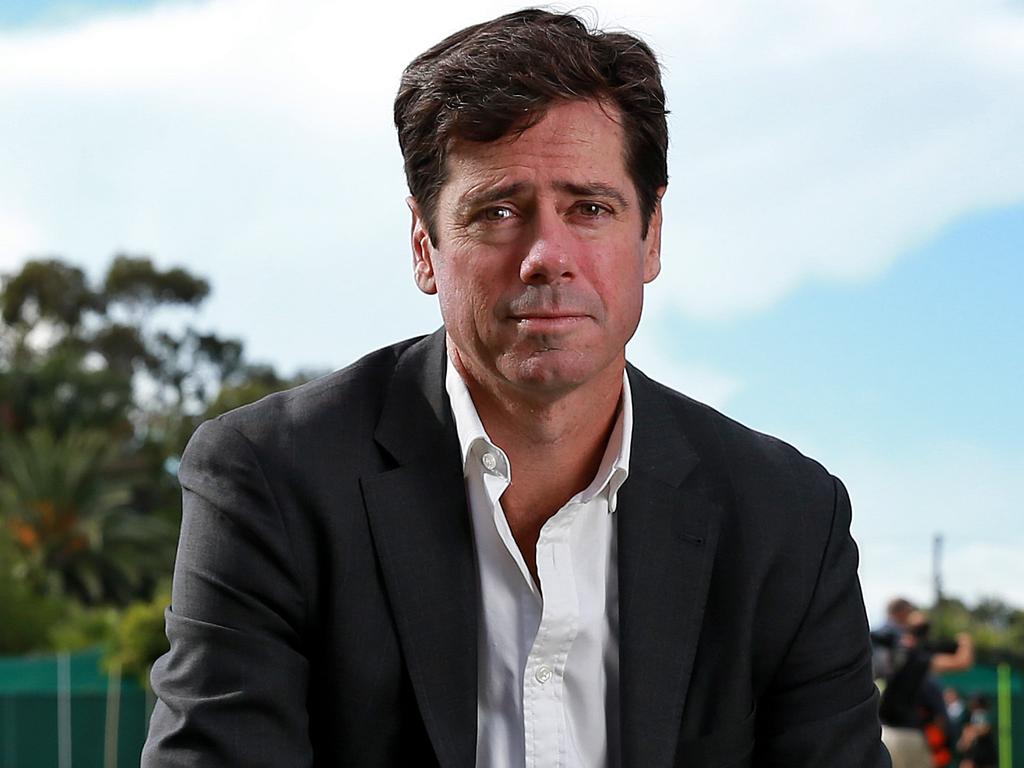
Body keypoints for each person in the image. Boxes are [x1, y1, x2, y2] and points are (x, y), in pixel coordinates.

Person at [142, 9, 889, 767]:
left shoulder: (788, 518)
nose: (546, 256)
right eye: (497, 211)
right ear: (424, 246)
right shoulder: (273, 481)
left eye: (590, 209)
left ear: (651, 235)